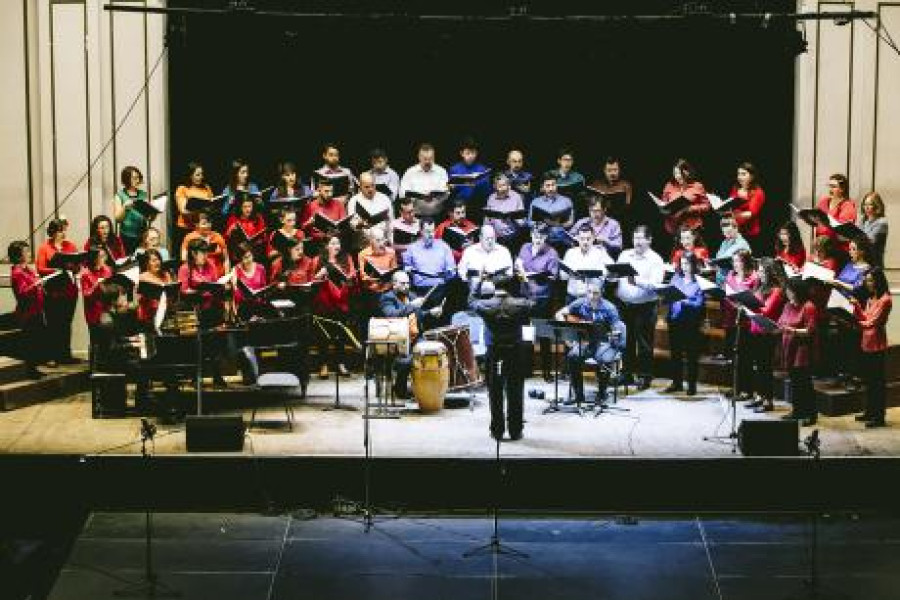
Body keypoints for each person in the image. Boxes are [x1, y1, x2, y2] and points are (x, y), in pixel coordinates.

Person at [470, 279, 534, 441]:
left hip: (495, 352)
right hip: (515, 352)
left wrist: (479, 281)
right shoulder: (519, 304)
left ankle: (497, 430)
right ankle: (515, 430)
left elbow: (471, 300)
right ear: (511, 288)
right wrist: (525, 281)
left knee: (495, 392)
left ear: (494, 288)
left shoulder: (486, 304)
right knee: (515, 391)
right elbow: (534, 301)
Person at [555, 279, 626, 405]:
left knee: (604, 359)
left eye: (595, 293)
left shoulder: (610, 308)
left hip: (605, 343)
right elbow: (559, 314)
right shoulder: (580, 303)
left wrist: (614, 339)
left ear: (601, 293)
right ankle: (578, 395)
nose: (592, 296)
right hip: (586, 342)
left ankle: (602, 393)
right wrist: (567, 338)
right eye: (589, 292)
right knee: (572, 356)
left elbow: (618, 328)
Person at [616, 225, 666, 390]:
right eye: (635, 238)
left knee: (644, 343)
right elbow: (617, 274)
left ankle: (645, 376)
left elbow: (656, 284)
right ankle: (627, 373)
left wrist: (637, 281)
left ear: (649, 240)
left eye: (641, 238)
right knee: (626, 341)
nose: (637, 242)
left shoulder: (655, 259)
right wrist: (611, 276)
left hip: (645, 307)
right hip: (624, 305)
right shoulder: (625, 255)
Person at [379, 270, 443, 399]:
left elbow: (419, 315)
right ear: (394, 284)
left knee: (429, 353)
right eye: (402, 283)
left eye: (408, 283)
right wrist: (412, 306)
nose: (406, 286)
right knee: (407, 360)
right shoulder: (387, 298)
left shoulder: (412, 296)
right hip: (397, 339)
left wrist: (431, 313)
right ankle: (400, 388)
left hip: (415, 337)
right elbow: (392, 315)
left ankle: (424, 388)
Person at [177, 239, 229, 387]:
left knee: (216, 341)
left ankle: (217, 375)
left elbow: (215, 283)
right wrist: (199, 291)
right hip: (194, 310)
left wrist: (219, 287)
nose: (206, 255)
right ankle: (196, 376)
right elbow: (183, 290)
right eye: (203, 252)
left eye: (207, 252)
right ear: (194, 253)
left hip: (211, 309)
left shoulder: (210, 265)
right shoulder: (185, 268)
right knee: (196, 344)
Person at [515, 224, 559, 382]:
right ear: (531, 235)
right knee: (526, 334)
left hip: (542, 298)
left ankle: (547, 371)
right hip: (525, 297)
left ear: (546, 237)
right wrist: (520, 270)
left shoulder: (552, 253)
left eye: (541, 237)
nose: (537, 240)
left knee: (543, 335)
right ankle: (526, 369)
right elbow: (518, 267)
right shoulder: (525, 248)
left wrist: (541, 276)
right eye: (535, 236)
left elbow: (553, 276)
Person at [744, 258, 787, 412]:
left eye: (762, 271)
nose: (759, 273)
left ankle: (768, 400)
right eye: (759, 270)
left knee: (765, 368)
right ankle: (760, 397)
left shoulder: (776, 290)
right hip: (755, 330)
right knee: (758, 367)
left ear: (770, 272)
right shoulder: (759, 286)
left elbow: (766, 310)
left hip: (767, 333)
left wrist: (748, 304)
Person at [311, 235, 357, 378]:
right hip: (324, 301)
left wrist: (347, 278)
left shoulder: (346, 258)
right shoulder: (318, 260)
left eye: (338, 243)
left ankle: (340, 363)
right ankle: (323, 364)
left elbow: (352, 277)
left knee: (340, 333)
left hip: (341, 300)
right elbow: (312, 280)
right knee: (323, 334)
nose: (336, 246)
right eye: (333, 243)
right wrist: (320, 274)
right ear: (327, 246)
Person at [851, 269, 892, 428]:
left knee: (877, 383)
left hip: (877, 344)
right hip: (866, 342)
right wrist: (856, 307)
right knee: (869, 381)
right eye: (867, 280)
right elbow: (864, 317)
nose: (867, 283)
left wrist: (855, 323)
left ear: (878, 281)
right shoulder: (871, 298)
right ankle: (869, 412)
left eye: (870, 280)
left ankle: (879, 416)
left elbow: (872, 322)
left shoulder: (885, 299)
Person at [35, 218, 79, 364]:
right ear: (53, 232)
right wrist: (57, 270)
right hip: (53, 291)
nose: (63, 233)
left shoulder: (70, 246)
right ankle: (52, 356)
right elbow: (40, 268)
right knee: (53, 324)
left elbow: (77, 265)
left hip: (69, 291)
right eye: (60, 231)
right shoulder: (44, 247)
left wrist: (74, 266)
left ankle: (65, 355)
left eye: (64, 230)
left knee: (66, 324)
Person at [778, 279, 820, 426]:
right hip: (789, 348)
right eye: (787, 290)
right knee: (795, 382)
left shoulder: (808, 306)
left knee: (804, 384)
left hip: (802, 350)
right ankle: (797, 411)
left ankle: (810, 414)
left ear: (798, 291)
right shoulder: (788, 305)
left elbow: (810, 330)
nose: (787, 293)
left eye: (790, 290)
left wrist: (792, 330)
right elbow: (781, 322)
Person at [664, 252, 706, 396]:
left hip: (690, 323)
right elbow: (669, 294)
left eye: (687, 263)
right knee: (675, 353)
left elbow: (698, 304)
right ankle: (677, 383)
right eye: (682, 264)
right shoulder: (676, 278)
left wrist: (683, 300)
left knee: (691, 355)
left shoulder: (699, 282)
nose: (684, 267)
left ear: (693, 265)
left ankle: (692, 385)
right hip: (675, 320)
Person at [721, 250, 759, 395]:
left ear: (746, 262)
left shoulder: (753, 278)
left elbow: (755, 300)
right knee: (734, 356)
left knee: (745, 357)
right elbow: (726, 295)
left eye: (738, 261)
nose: (735, 264)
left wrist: (741, 304)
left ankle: (747, 389)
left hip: (746, 323)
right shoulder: (731, 275)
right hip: (731, 320)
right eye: (734, 261)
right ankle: (736, 387)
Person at [8, 241, 46, 378]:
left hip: (36, 309)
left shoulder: (28, 270)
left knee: (37, 340)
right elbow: (22, 293)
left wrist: (39, 285)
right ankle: (30, 370)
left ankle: (34, 368)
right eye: (27, 252)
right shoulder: (17, 272)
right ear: (18, 256)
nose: (30, 254)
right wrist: (36, 285)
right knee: (30, 341)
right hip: (27, 312)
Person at [358, 231, 399, 339]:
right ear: (371, 241)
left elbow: (395, 272)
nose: (381, 243)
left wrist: (388, 279)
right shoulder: (363, 254)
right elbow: (363, 276)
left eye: (382, 240)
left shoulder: (391, 252)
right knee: (368, 320)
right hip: (371, 292)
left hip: (387, 291)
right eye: (378, 240)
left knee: (389, 320)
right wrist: (375, 279)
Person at [401, 218, 456, 296]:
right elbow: (406, 269)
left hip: (440, 288)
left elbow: (452, 270)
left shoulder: (443, 246)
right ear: (421, 231)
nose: (431, 235)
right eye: (427, 231)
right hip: (419, 290)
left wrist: (448, 273)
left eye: (433, 231)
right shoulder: (412, 248)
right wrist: (410, 271)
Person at [560, 225, 613, 304]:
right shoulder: (570, 253)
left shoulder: (601, 252)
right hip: (572, 297)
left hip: (593, 298)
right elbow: (563, 277)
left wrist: (600, 274)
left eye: (588, 239)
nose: (585, 242)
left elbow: (613, 274)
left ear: (593, 238)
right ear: (577, 238)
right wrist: (571, 273)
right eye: (582, 239)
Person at [660, 158, 710, 237]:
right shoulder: (669, 186)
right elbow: (663, 203)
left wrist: (689, 209)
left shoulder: (697, 186)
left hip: (692, 227)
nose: (677, 176)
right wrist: (664, 209)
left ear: (687, 172)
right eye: (675, 173)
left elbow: (706, 206)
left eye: (680, 173)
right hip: (673, 227)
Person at [457, 225, 514, 292]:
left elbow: (509, 273)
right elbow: (461, 271)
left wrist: (494, 280)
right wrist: (473, 281)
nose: (490, 241)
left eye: (492, 238)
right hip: (474, 289)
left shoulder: (504, 251)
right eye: (487, 239)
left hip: (498, 289)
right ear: (480, 238)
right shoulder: (469, 251)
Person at [529, 172, 575, 251]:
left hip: (560, 239)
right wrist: (539, 224)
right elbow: (530, 222)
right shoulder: (535, 202)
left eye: (553, 185)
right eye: (547, 186)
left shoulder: (566, 201)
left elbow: (571, 222)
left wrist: (556, 224)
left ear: (557, 185)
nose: (551, 189)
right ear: (543, 187)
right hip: (541, 237)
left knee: (557, 231)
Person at [448, 137, 492, 219]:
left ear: (477, 153)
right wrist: (451, 187)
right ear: (462, 153)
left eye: (473, 153)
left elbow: (487, 191)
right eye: (468, 153)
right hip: (459, 207)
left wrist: (477, 185)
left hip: (477, 206)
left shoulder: (482, 169)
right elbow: (450, 191)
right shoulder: (454, 169)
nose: (471, 156)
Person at [729, 162, 767, 255]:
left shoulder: (758, 192)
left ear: (752, 176)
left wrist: (734, 216)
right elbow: (730, 205)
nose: (740, 177)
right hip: (735, 231)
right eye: (738, 174)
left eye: (743, 174)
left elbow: (751, 213)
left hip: (750, 233)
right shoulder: (735, 189)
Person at [174, 161, 213, 251]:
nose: (201, 177)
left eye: (201, 174)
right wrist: (199, 210)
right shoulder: (182, 188)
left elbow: (211, 204)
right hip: (186, 228)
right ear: (190, 175)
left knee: (203, 253)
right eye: (197, 175)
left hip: (203, 228)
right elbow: (182, 210)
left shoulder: (206, 187)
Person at [348, 171, 394, 248]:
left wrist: (391, 243)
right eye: (367, 187)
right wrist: (359, 224)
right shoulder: (354, 201)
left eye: (373, 185)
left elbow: (391, 223)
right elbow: (352, 224)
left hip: (382, 242)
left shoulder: (384, 198)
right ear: (360, 187)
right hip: (363, 244)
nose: (371, 189)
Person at [112, 165, 151, 254]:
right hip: (127, 235)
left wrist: (152, 212)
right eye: (134, 178)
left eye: (138, 177)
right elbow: (118, 219)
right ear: (126, 179)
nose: (137, 180)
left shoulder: (143, 194)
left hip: (143, 234)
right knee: (128, 259)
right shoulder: (120, 195)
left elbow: (148, 217)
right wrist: (124, 207)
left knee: (143, 257)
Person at [815, 173, 856, 252]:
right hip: (821, 246)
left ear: (842, 189)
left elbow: (842, 230)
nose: (830, 190)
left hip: (838, 249)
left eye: (833, 187)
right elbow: (817, 223)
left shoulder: (848, 205)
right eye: (829, 186)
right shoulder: (823, 202)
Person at [484, 173, 526, 251]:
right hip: (496, 237)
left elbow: (522, 222)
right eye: (499, 186)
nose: (502, 188)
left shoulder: (516, 197)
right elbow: (487, 219)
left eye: (504, 185)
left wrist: (512, 218)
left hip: (512, 237)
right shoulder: (491, 198)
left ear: (509, 186)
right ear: (494, 186)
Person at [180, 211, 229, 277]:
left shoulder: (218, 236)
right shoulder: (190, 237)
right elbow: (184, 258)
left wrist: (226, 276)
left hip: (219, 275)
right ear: (197, 225)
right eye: (204, 224)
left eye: (209, 223)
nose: (207, 226)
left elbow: (226, 259)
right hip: (198, 275)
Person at [81, 245, 114, 337]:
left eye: (105, 256)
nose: (105, 259)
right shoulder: (86, 273)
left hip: (107, 307)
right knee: (96, 336)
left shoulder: (107, 270)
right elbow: (86, 294)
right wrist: (97, 285)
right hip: (93, 310)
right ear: (94, 259)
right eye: (101, 256)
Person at [589, 157, 633, 226]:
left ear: (619, 170)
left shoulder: (625, 186)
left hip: (620, 221)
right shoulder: (596, 185)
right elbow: (591, 207)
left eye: (615, 170)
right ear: (604, 170)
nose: (612, 173)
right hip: (599, 222)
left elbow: (628, 207)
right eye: (609, 170)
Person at [224, 194, 267, 263]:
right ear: (240, 207)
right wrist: (230, 230)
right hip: (239, 250)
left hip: (255, 248)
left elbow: (263, 236)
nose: (248, 209)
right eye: (245, 207)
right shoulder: (233, 218)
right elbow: (226, 238)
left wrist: (256, 242)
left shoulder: (258, 218)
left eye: (250, 206)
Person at [136, 248, 174, 325]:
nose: (157, 262)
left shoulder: (166, 274)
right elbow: (138, 298)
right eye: (154, 261)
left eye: (158, 259)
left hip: (166, 312)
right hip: (149, 316)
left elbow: (171, 293)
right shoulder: (142, 278)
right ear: (147, 263)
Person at [302, 179, 347, 244]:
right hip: (317, 242)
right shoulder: (310, 206)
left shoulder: (338, 204)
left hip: (335, 240)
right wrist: (309, 223)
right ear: (319, 190)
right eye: (326, 191)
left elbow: (344, 224)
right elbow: (302, 228)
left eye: (331, 191)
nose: (330, 194)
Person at [713, 215, 751, 285]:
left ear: (736, 228)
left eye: (729, 232)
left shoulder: (741, 244)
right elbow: (718, 257)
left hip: (736, 281)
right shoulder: (725, 242)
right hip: (723, 278)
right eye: (724, 233)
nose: (726, 235)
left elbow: (724, 258)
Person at [550, 147, 586, 216]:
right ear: (559, 161)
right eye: (565, 160)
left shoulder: (579, 177)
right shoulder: (550, 175)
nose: (567, 163)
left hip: (573, 209)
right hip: (554, 208)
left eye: (570, 160)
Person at [859, 191, 888, 267]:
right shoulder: (863, 220)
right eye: (865, 204)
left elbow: (870, 240)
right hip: (862, 261)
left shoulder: (882, 222)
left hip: (874, 263)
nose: (866, 207)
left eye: (870, 204)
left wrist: (857, 237)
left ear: (877, 206)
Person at [390, 197, 420, 261]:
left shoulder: (420, 223)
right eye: (408, 212)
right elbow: (391, 246)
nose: (412, 214)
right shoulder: (394, 224)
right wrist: (410, 247)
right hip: (401, 259)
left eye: (412, 211)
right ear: (401, 212)